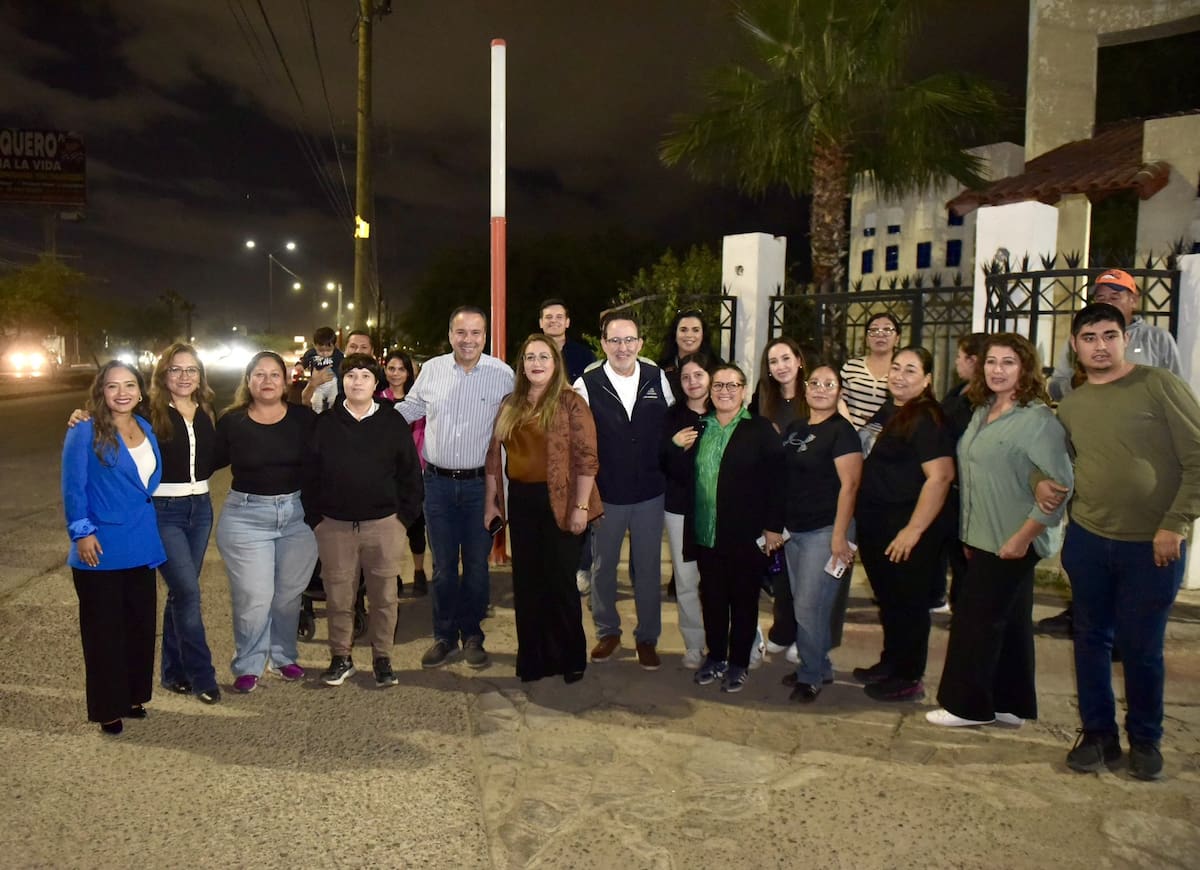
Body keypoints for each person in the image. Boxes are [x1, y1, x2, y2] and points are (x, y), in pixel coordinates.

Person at [1049, 302, 1200, 780]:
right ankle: (1098, 736)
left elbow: (1197, 457)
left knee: (1142, 646)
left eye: (1108, 335)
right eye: (1089, 337)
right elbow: (1065, 463)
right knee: (1090, 640)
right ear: (1075, 346)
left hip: (1151, 544)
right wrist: (1042, 482)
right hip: (1089, 540)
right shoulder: (1072, 404)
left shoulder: (1158, 384)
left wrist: (1175, 523)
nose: (1099, 346)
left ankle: (1146, 740)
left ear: (1124, 339)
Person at [926, 334, 1073, 728]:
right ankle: (1011, 703)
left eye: (1008, 362)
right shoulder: (982, 410)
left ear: (1025, 368)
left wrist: (1021, 539)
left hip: (1013, 539)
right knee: (1010, 623)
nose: (997, 370)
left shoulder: (1038, 420)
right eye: (992, 361)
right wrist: (972, 536)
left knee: (976, 621)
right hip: (983, 536)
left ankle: (965, 705)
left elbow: (1061, 487)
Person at [66, 343, 224, 704]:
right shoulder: (149, 411)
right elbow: (110, 416)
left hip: (199, 510)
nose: (184, 377)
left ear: (200, 375)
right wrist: (79, 416)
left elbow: (215, 457)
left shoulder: (206, 411)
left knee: (181, 594)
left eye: (191, 370)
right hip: (163, 511)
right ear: (162, 374)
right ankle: (203, 675)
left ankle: (173, 671)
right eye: (175, 369)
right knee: (187, 592)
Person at [1040, 268, 1184, 639]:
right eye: (1101, 294)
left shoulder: (1157, 343)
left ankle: (1126, 630)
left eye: (1117, 293)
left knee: (1140, 640)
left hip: (1146, 488)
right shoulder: (1078, 343)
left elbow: (1178, 398)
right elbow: (1057, 386)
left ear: (1134, 300)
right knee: (1092, 619)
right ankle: (1083, 614)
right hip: (1093, 469)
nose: (1107, 298)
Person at [398, 306, 514, 669]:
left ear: (485, 336)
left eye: (476, 333)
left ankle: (473, 634)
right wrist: (365, 415)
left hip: (482, 485)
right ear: (450, 335)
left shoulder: (503, 374)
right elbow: (409, 409)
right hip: (437, 485)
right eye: (461, 332)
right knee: (445, 566)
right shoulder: (432, 370)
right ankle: (444, 635)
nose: (468, 340)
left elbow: (523, 418)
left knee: (477, 566)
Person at [484, 335, 601, 683]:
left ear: (555, 363)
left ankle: (570, 658)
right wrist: (491, 501)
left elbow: (587, 459)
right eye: (529, 357)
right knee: (528, 584)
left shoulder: (570, 402)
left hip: (563, 502)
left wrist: (581, 507)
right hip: (521, 502)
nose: (536, 363)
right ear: (522, 365)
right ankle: (533, 659)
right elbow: (494, 459)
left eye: (543, 357)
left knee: (560, 583)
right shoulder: (510, 402)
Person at [307, 354, 423, 688]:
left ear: (376, 383)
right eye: (351, 376)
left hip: (384, 525)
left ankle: (382, 659)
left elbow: (410, 476)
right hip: (335, 526)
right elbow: (310, 475)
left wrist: (402, 519)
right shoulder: (325, 423)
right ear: (342, 382)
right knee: (339, 596)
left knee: (384, 597)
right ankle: (341, 657)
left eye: (365, 377)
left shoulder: (392, 423)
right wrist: (316, 519)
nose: (357, 382)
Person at [62, 361, 166, 735]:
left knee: (139, 626)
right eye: (112, 386)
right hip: (100, 546)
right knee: (104, 632)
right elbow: (73, 487)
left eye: (129, 385)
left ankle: (132, 696)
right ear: (101, 392)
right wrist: (82, 531)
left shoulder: (147, 429)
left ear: (140, 391)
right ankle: (107, 707)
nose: (121, 392)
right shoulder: (85, 429)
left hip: (141, 543)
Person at [853, 346, 955, 702]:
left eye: (910, 370)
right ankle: (892, 662)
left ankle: (909, 676)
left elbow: (940, 478)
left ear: (927, 379)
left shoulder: (926, 417)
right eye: (895, 368)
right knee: (890, 600)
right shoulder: (892, 409)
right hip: (877, 522)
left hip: (906, 526)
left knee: (908, 603)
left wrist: (913, 530)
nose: (899, 375)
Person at [214, 351, 319, 693]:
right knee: (255, 596)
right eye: (259, 375)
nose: (267, 381)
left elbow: (334, 452)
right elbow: (197, 459)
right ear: (248, 381)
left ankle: (284, 656)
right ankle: (249, 663)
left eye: (274, 374)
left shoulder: (305, 419)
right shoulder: (232, 422)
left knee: (288, 596)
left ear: (286, 380)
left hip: (297, 517)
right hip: (246, 518)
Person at [574, 313, 674, 669]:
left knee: (647, 569)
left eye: (629, 340)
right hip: (607, 494)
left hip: (649, 491)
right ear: (603, 344)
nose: (622, 347)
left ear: (640, 344)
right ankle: (607, 631)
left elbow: (672, 421)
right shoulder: (586, 384)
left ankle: (647, 637)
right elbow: (576, 440)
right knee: (603, 567)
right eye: (615, 341)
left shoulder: (656, 377)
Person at [686, 363, 785, 693]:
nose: (724, 391)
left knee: (743, 600)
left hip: (746, 534)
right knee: (712, 598)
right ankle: (715, 657)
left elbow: (777, 482)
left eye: (732, 385)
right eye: (718, 386)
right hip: (706, 532)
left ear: (744, 391)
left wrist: (773, 528)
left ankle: (739, 662)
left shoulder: (759, 430)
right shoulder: (701, 427)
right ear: (710, 391)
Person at [779, 364, 862, 703]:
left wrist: (840, 536)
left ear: (840, 391)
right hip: (794, 530)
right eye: (815, 382)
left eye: (829, 383)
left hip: (826, 530)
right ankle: (821, 664)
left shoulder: (843, 432)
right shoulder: (796, 427)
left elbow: (851, 485)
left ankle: (810, 674)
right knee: (809, 605)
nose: (821, 388)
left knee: (808, 607)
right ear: (805, 388)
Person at [749, 336, 808, 663]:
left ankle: (806, 635)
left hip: (807, 496)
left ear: (799, 360)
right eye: (773, 362)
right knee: (781, 574)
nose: (780, 367)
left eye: (786, 358)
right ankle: (783, 631)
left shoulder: (815, 395)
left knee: (806, 574)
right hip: (774, 496)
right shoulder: (765, 400)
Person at [660, 352, 715, 669]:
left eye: (698, 375)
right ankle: (694, 644)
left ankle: (741, 640)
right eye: (686, 377)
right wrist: (673, 444)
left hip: (719, 510)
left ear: (709, 377)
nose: (693, 382)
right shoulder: (672, 416)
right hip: (680, 508)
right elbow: (660, 460)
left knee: (722, 580)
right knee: (685, 580)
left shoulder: (725, 411)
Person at [935, 331, 990, 613]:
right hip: (952, 491)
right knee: (957, 559)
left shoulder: (984, 402)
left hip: (972, 493)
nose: (956, 363)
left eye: (960, 357)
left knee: (970, 565)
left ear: (974, 360)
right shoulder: (958, 391)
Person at [379, 349, 429, 596]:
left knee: (417, 527)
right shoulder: (378, 398)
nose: (396, 373)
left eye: (401, 369)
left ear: (409, 372)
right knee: (391, 529)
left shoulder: (417, 400)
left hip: (416, 472)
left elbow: (423, 434)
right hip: (388, 476)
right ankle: (395, 575)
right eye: (391, 368)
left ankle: (419, 571)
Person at [841, 313, 901, 430]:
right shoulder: (851, 367)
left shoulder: (902, 372)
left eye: (887, 329)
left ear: (897, 338)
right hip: (851, 436)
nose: (880, 334)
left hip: (889, 438)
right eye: (873, 330)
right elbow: (839, 403)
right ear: (866, 339)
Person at [657, 308, 722, 400]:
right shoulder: (662, 368)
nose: (689, 335)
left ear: (703, 334)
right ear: (675, 334)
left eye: (695, 330)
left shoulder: (717, 365)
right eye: (683, 330)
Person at [303, 327, 375, 407]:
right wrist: (313, 384)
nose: (357, 351)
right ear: (345, 349)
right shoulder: (330, 368)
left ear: (372, 351)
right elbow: (306, 402)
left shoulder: (381, 376)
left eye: (364, 347)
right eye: (353, 346)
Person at [538, 298, 596, 382]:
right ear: (541, 323)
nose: (554, 320)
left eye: (559, 317)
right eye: (549, 317)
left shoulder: (584, 355)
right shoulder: (530, 356)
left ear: (567, 322)